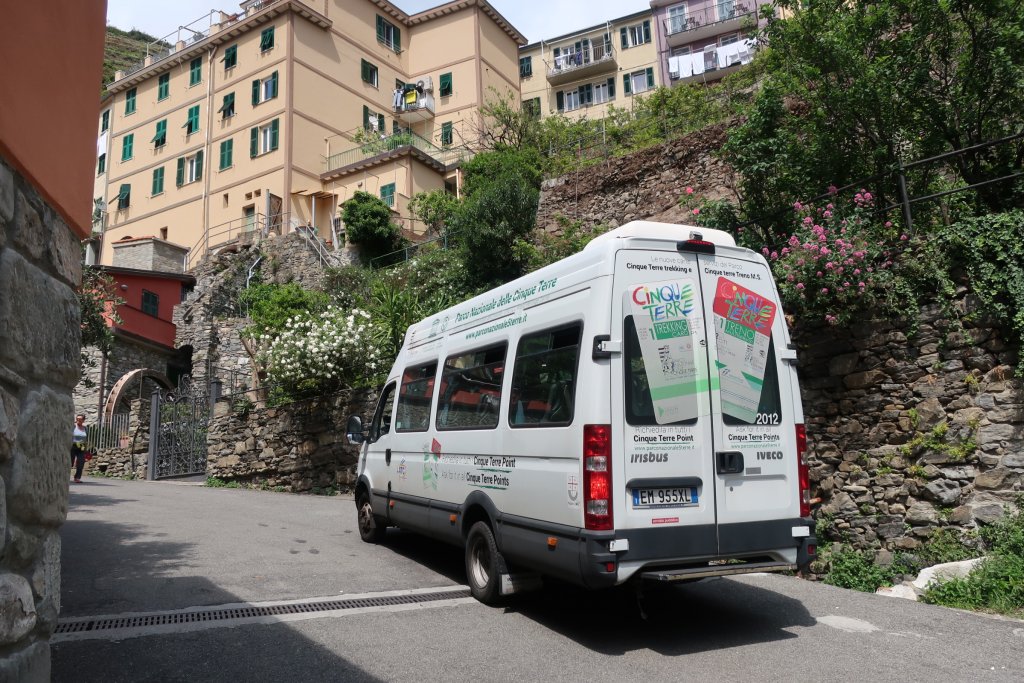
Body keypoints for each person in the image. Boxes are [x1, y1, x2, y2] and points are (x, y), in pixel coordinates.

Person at [71, 413, 88, 483]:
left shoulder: (85, 428)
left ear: (83, 420)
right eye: (77, 419)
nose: (78, 420)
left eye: (80, 419)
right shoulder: (73, 427)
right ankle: (64, 476)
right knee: (70, 461)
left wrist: (86, 448)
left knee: (81, 462)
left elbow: (86, 438)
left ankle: (77, 477)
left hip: (81, 446)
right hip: (73, 445)